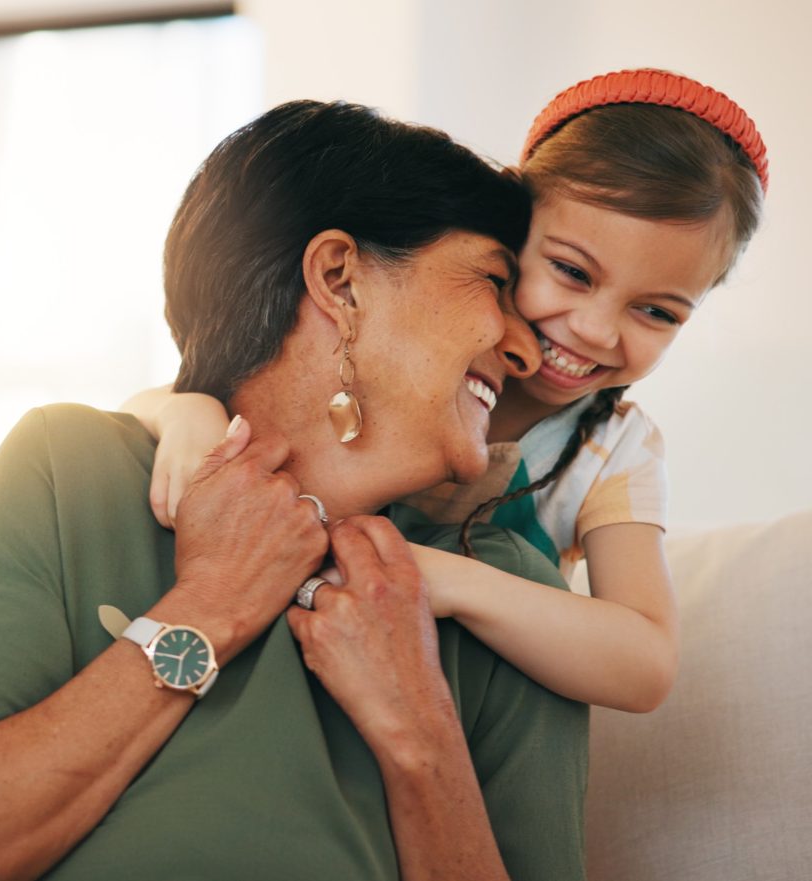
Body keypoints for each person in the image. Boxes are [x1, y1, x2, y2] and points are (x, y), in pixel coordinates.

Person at [0, 101, 588, 881]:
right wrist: (210, 604)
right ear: (340, 279)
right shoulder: (72, 473)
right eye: (494, 282)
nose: (521, 347)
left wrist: (420, 734)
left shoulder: (510, 603)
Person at [123, 69, 768, 713]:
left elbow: (646, 666)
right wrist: (188, 414)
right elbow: (154, 405)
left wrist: (448, 581)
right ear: (511, 227)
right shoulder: (403, 357)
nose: (596, 331)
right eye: (572, 272)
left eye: (658, 313)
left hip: (462, 708)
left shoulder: (613, 448)